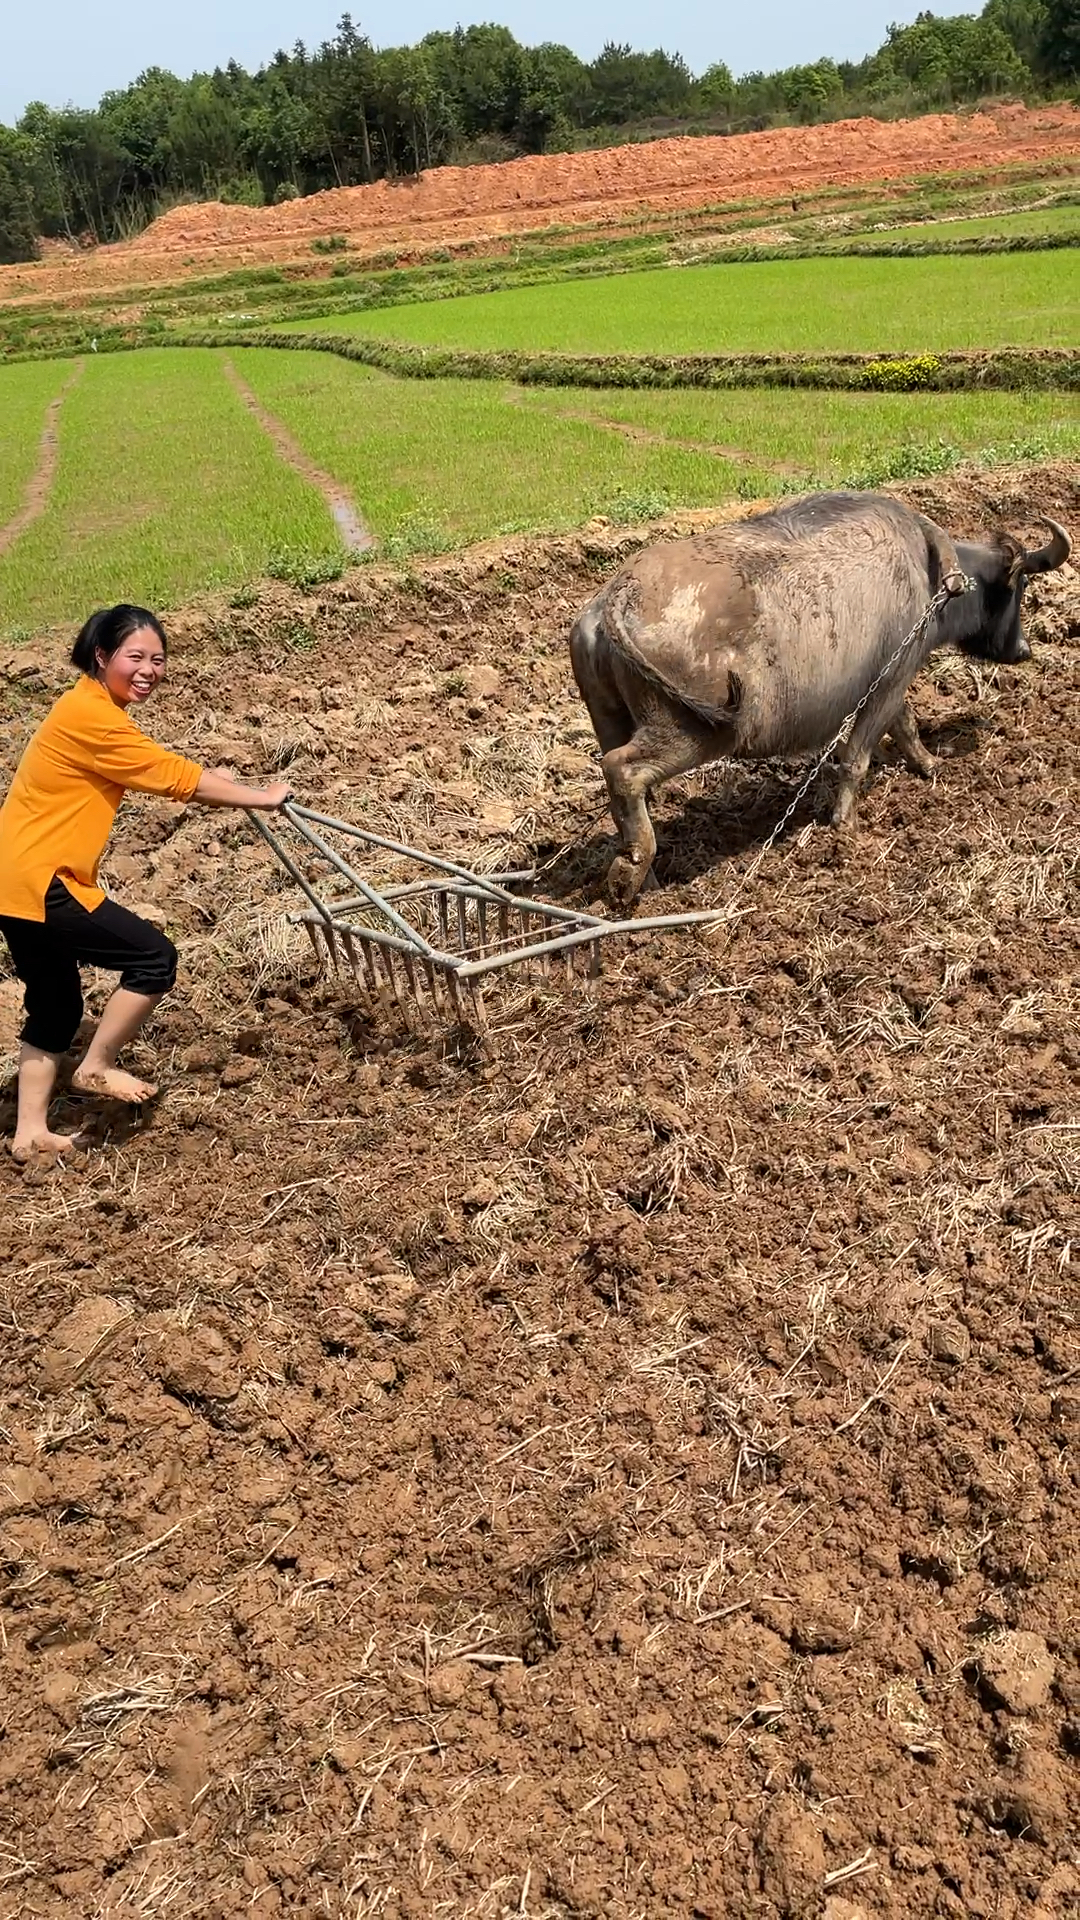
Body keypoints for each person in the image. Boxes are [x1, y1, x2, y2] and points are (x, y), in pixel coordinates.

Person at [0, 604, 292, 1164]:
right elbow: (170, 777)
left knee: (55, 1004)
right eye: (135, 657)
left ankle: (29, 1132)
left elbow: (153, 763)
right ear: (101, 655)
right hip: (43, 880)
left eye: (158, 660)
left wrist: (216, 780)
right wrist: (261, 797)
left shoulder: (85, 707)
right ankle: (96, 1064)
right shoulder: (91, 717)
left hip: (12, 881)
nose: (149, 670)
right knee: (153, 957)